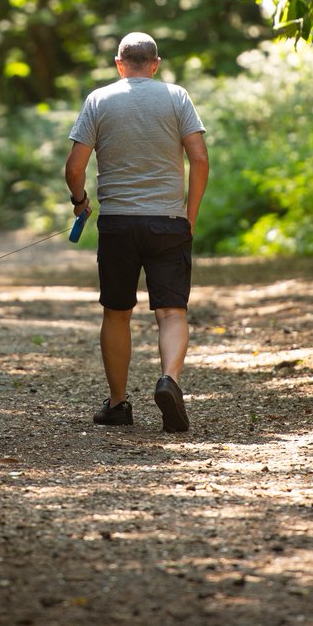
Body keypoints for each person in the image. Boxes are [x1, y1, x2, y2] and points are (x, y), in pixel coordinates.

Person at [64, 32, 209, 432]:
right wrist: (189, 215)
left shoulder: (99, 100)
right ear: (156, 64)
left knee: (117, 311)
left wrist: (80, 201)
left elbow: (74, 167)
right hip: (168, 222)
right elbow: (199, 158)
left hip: (118, 223)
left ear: (119, 63)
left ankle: (118, 404)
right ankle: (169, 381)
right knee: (171, 311)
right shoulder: (177, 97)